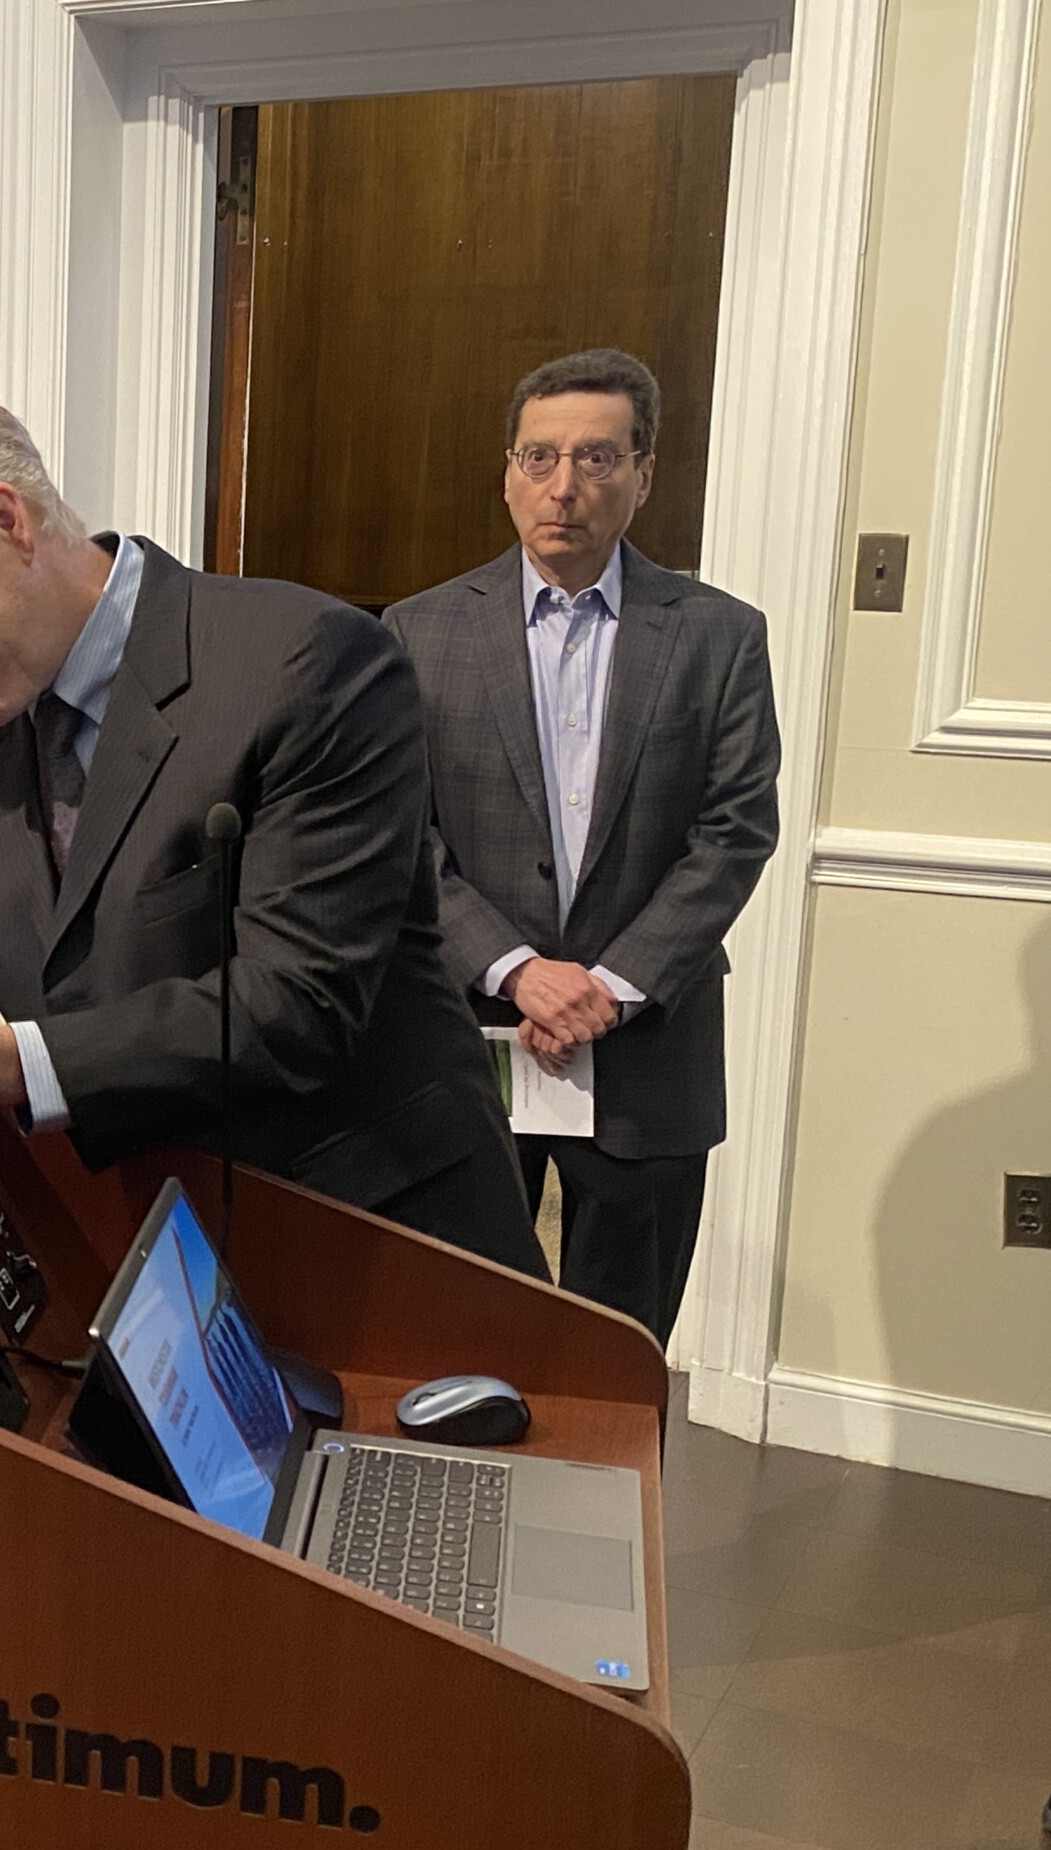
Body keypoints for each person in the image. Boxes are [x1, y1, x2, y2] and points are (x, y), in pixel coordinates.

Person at [0, 397, 545, 1278]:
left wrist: (16, 1064)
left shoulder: (307, 664)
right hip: (142, 1246)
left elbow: (297, 1005)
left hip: (371, 1241)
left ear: (7, 521)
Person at [384, 348, 781, 1345]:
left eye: (597, 459)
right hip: (472, 1040)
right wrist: (517, 970)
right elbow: (399, 833)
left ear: (644, 475)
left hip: (648, 1050)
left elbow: (735, 828)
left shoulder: (718, 636)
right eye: (540, 457)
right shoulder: (416, 633)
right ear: (508, 471)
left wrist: (608, 984)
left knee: (622, 1347)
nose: (564, 487)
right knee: (460, 1340)